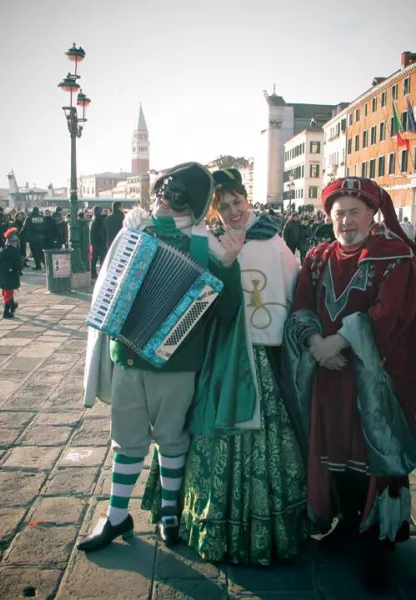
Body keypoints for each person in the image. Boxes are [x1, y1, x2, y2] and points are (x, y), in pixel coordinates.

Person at [141, 168, 307, 565]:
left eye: (237, 203)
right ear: (213, 210)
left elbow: (291, 288)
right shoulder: (210, 242)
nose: (233, 211)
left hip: (260, 354)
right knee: (204, 428)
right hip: (220, 351)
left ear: (248, 200)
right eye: (223, 205)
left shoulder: (273, 240)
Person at [78, 162, 245, 552]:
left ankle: (170, 515)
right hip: (129, 358)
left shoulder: (205, 246)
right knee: (126, 440)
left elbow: (226, 311)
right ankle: (117, 516)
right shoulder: (133, 233)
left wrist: (230, 265)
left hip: (177, 364)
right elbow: (108, 286)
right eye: (162, 195)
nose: (165, 203)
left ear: (193, 207)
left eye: (176, 198)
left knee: (171, 440)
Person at [285, 177, 416, 593]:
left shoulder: (394, 255)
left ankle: (376, 543)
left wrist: (337, 342)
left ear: (372, 214)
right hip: (329, 374)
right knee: (333, 451)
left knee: (371, 453)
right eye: (338, 213)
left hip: (373, 376)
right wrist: (314, 343)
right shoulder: (316, 257)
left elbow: (388, 313)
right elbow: (302, 305)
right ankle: (346, 524)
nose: (345, 221)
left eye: (354, 212)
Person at [0, 227, 21, 319]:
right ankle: (6, 312)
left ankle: (13, 305)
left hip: (2, 274)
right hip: (11, 274)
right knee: (8, 293)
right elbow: (17, 264)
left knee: (7, 290)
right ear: (14, 242)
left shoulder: (2, 250)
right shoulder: (14, 251)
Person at [90, 206, 107, 278]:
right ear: (99, 212)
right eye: (102, 210)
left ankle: (93, 274)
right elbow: (104, 232)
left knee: (93, 260)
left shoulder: (93, 220)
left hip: (94, 243)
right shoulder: (103, 220)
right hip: (101, 243)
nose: (104, 211)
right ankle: (101, 275)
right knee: (102, 259)